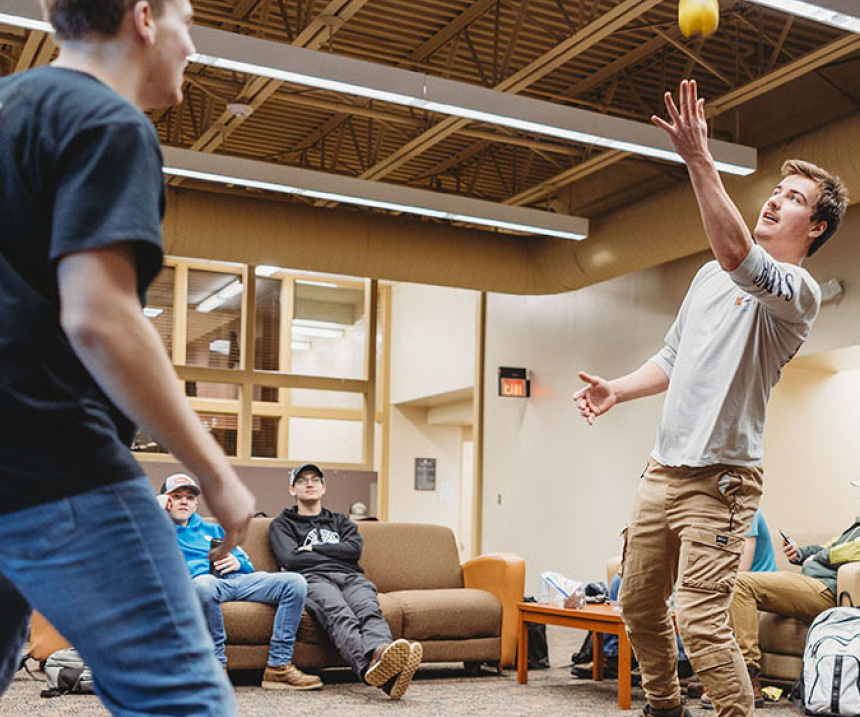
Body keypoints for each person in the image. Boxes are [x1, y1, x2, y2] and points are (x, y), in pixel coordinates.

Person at [0, 1, 256, 715]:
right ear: (144, 17)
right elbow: (101, 316)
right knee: (180, 702)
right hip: (55, 467)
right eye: (187, 21)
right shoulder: (108, 122)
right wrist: (215, 471)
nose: (192, 46)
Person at [573, 79, 848, 717]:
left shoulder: (796, 293)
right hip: (662, 472)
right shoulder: (705, 278)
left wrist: (699, 159)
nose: (776, 201)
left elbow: (737, 253)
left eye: (795, 199)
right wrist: (619, 387)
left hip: (722, 483)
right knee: (637, 607)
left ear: (818, 226)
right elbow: (674, 356)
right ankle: (664, 707)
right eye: (776, 191)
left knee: (700, 619)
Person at [269, 463, 423, 700]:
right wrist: (333, 550)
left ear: (324, 488)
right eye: (302, 480)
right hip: (313, 578)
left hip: (350, 577)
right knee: (340, 615)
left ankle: (380, 651)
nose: (309, 484)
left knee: (369, 611)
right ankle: (370, 669)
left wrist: (311, 547)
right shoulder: (282, 523)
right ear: (292, 490)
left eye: (315, 480)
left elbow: (353, 550)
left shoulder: (340, 521)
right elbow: (289, 557)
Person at [162, 473, 322, 690]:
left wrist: (236, 562)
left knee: (294, 582)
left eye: (189, 497)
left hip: (236, 581)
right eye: (176, 496)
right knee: (204, 584)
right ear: (165, 501)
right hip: (204, 585)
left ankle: (279, 667)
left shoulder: (213, 528)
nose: (184, 501)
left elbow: (247, 563)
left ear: (196, 503)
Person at [704, 512, 860, 708]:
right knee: (735, 586)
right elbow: (828, 547)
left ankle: (745, 676)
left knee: (740, 583)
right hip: (810, 581)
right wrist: (802, 553)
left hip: (826, 588)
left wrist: (816, 557)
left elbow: (842, 552)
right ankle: (721, 670)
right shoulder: (855, 527)